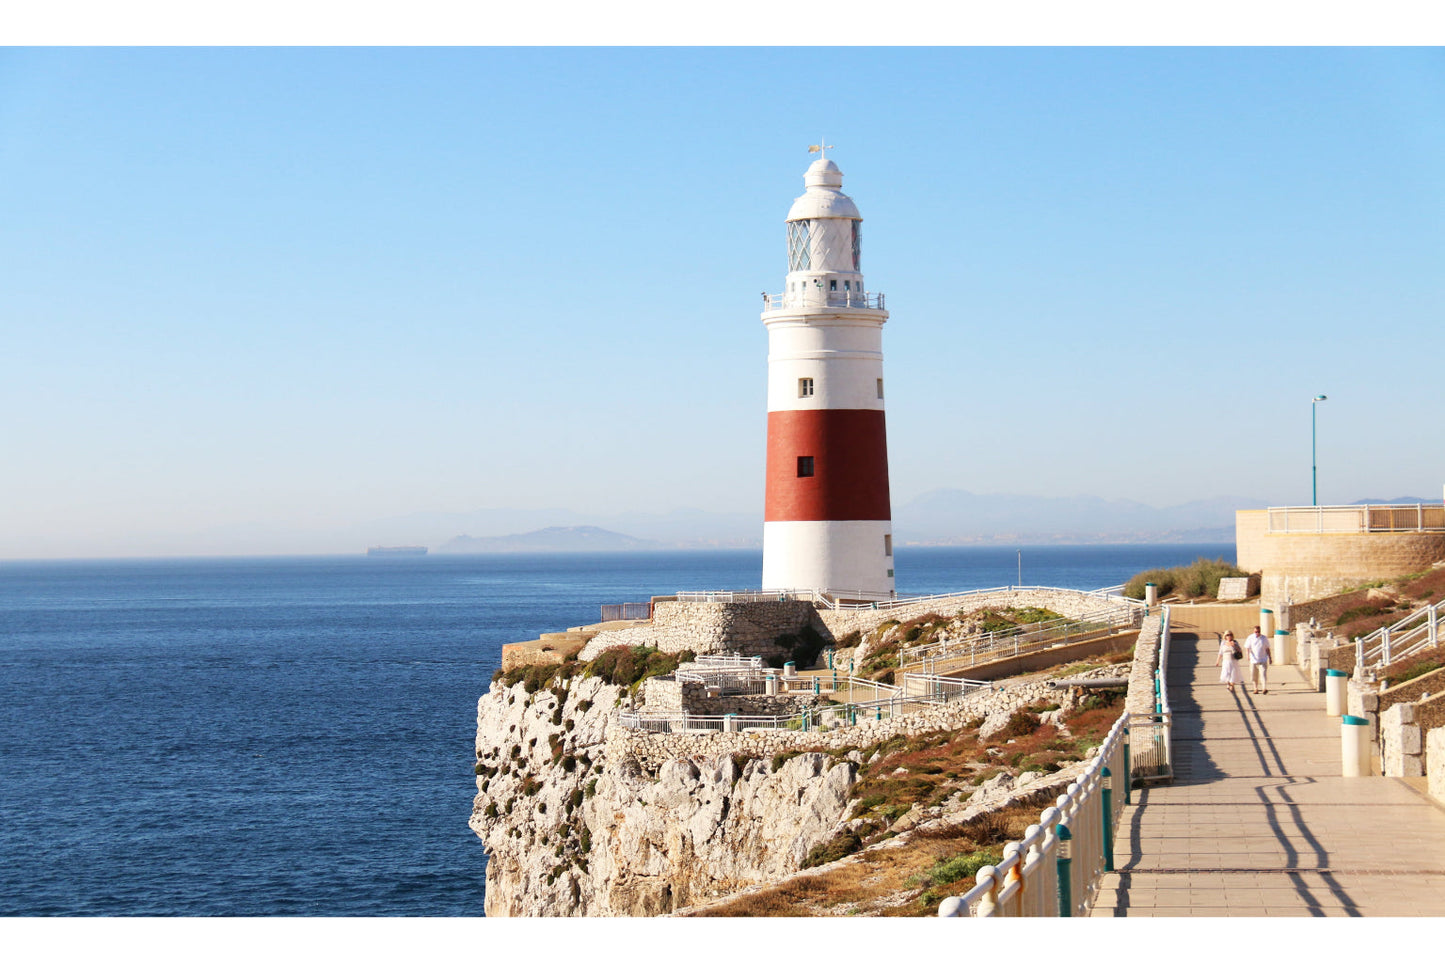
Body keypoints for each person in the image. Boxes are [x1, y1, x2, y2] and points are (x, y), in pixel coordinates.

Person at [1245, 625, 1272, 694]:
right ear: (1254, 631)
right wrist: (1248, 656)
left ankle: (1264, 688)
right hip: (1253, 660)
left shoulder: (1264, 638)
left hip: (1263, 659)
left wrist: (1270, 658)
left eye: (1258, 632)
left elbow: (1267, 648)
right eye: (1255, 632)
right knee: (1254, 675)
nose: (1257, 633)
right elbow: (1247, 647)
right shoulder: (1250, 638)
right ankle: (1255, 688)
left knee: (1263, 674)